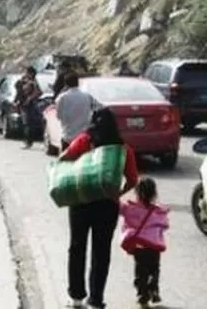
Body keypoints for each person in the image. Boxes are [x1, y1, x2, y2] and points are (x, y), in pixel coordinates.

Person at [59, 107, 139, 309]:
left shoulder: (84, 141)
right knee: (101, 251)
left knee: (77, 247)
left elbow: (63, 159)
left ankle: (76, 296)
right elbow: (132, 180)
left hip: (81, 202)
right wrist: (116, 193)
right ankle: (96, 299)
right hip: (107, 205)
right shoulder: (123, 148)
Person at [120, 178, 169, 307]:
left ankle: (142, 294)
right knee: (154, 268)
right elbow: (165, 225)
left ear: (137, 193)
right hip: (155, 246)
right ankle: (154, 288)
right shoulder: (158, 211)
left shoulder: (132, 209)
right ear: (154, 194)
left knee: (141, 269)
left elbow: (120, 208)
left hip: (140, 246)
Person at [56, 71, 99, 151]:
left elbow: (58, 116)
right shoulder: (87, 96)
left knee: (66, 161)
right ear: (78, 83)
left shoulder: (62, 98)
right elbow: (98, 108)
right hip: (84, 137)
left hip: (68, 136)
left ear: (66, 84)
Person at [16, 66, 44, 149]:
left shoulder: (33, 82)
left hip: (29, 105)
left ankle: (28, 142)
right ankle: (28, 141)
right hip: (23, 104)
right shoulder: (25, 81)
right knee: (26, 124)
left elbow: (39, 92)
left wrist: (30, 98)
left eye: (27, 72)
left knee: (28, 124)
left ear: (31, 73)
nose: (26, 74)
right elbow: (19, 90)